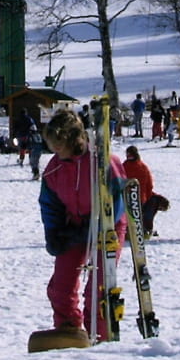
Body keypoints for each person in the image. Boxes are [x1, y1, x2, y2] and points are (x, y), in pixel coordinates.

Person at [38, 109, 125, 344]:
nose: (54, 152)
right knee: (61, 288)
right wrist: (54, 233)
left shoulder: (102, 161)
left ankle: (101, 335)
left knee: (97, 290)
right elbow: (49, 203)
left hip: (106, 226)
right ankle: (70, 334)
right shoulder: (55, 169)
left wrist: (99, 226)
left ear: (73, 139)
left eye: (59, 146)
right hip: (74, 225)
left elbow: (118, 199)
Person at [124, 146, 160, 238]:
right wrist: (147, 197)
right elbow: (150, 185)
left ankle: (127, 228)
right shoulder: (143, 167)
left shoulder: (123, 167)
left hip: (126, 200)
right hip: (141, 200)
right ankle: (146, 228)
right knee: (153, 202)